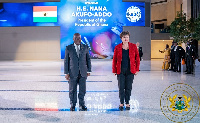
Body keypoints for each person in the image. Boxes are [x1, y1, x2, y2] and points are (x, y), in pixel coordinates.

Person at [112, 31, 140, 111]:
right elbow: (114, 60)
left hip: (130, 70)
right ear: (121, 38)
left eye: (127, 37)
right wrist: (114, 70)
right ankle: (121, 103)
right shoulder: (117, 47)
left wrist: (137, 69)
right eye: (124, 37)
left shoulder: (133, 46)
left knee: (128, 87)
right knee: (121, 87)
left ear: (129, 38)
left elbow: (137, 59)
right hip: (120, 70)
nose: (126, 39)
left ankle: (127, 103)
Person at [64, 33, 92, 111]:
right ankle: (73, 105)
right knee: (72, 90)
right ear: (73, 39)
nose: (78, 40)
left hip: (83, 72)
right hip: (72, 72)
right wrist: (66, 73)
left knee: (82, 90)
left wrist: (89, 70)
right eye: (76, 38)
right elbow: (66, 61)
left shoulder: (85, 47)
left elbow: (88, 59)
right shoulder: (69, 48)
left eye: (79, 38)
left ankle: (82, 104)